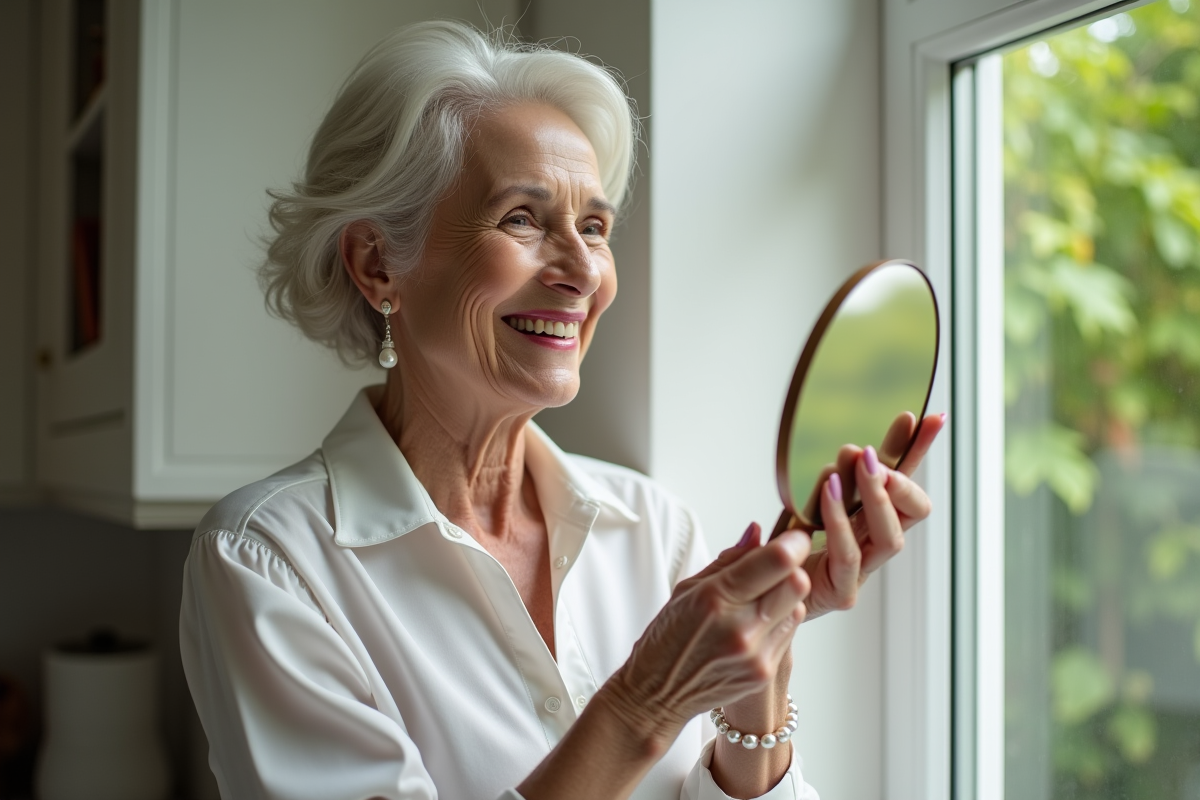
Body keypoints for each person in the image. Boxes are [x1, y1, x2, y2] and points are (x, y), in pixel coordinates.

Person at [179, 20, 943, 800]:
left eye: (595, 227)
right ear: (379, 265)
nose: (584, 272)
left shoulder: (654, 527)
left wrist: (763, 673)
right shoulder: (269, 560)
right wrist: (645, 700)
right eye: (522, 218)